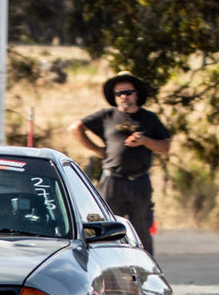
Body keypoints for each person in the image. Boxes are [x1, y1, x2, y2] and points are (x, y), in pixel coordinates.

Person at [68, 71, 170, 254]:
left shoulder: (149, 119)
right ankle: (109, 263)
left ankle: (145, 268)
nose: (124, 96)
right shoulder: (107, 116)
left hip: (139, 180)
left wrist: (145, 141)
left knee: (141, 227)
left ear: (136, 94)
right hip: (112, 180)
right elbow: (76, 128)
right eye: (119, 94)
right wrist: (97, 150)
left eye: (128, 92)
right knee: (107, 226)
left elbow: (165, 146)